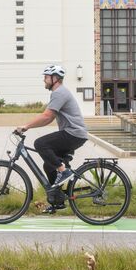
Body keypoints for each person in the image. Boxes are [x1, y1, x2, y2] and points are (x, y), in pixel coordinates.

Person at [16, 64, 88, 212]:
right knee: (48, 165)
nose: (44, 80)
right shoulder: (58, 93)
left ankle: (64, 171)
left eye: (46, 77)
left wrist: (26, 126)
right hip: (74, 134)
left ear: (55, 79)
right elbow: (48, 119)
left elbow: (47, 115)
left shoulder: (59, 93)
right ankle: (57, 201)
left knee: (40, 143)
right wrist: (31, 126)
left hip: (73, 133)